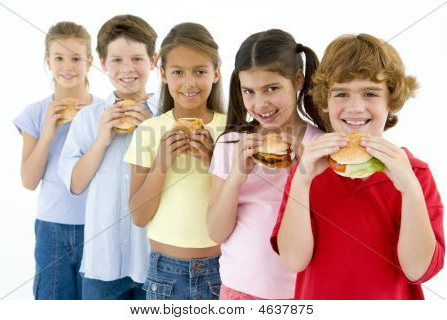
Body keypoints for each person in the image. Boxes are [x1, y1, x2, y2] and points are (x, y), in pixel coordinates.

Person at [271, 33, 444, 299]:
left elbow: (417, 271)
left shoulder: (416, 174)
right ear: (326, 102)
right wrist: (302, 181)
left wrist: (409, 189)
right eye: (341, 93)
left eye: (370, 93)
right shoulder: (307, 171)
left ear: (391, 101)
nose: (355, 107)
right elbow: (294, 260)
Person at [206, 29, 326, 300]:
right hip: (237, 292)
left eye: (272, 88)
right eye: (249, 91)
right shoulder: (231, 145)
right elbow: (216, 233)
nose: (260, 104)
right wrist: (236, 178)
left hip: (301, 294)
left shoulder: (321, 147)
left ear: (297, 80)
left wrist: (303, 174)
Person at [124, 22, 226, 300]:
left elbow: (245, 208)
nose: (189, 82)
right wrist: (161, 163)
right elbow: (139, 216)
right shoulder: (149, 130)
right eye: (178, 72)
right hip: (164, 275)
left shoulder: (232, 130)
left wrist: (214, 161)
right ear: (164, 74)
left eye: (200, 71)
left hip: (223, 270)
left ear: (216, 73)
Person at [58, 15, 157, 299]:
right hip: (102, 263)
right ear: (102, 63)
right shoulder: (89, 118)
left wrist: (152, 128)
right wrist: (102, 138)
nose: (127, 69)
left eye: (137, 59)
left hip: (154, 262)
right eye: (116, 60)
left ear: (153, 60)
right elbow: (76, 185)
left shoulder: (164, 115)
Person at [13, 21, 102, 299]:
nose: (68, 67)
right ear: (47, 62)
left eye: (76, 58)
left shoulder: (105, 111)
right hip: (52, 228)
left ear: (89, 62)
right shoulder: (35, 113)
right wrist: (48, 134)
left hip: (98, 225)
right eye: (59, 58)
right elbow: (28, 181)